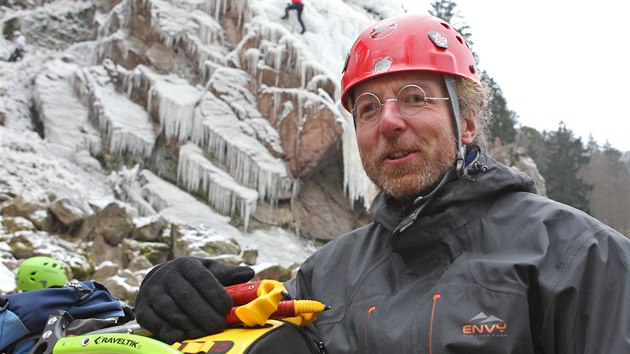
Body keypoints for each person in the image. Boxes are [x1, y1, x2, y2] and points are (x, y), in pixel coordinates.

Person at [134, 13, 630, 353]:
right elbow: (253, 325)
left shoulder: (580, 257)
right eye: (368, 108)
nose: (388, 122)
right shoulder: (326, 273)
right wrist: (173, 294)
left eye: (414, 98)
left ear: (469, 122)